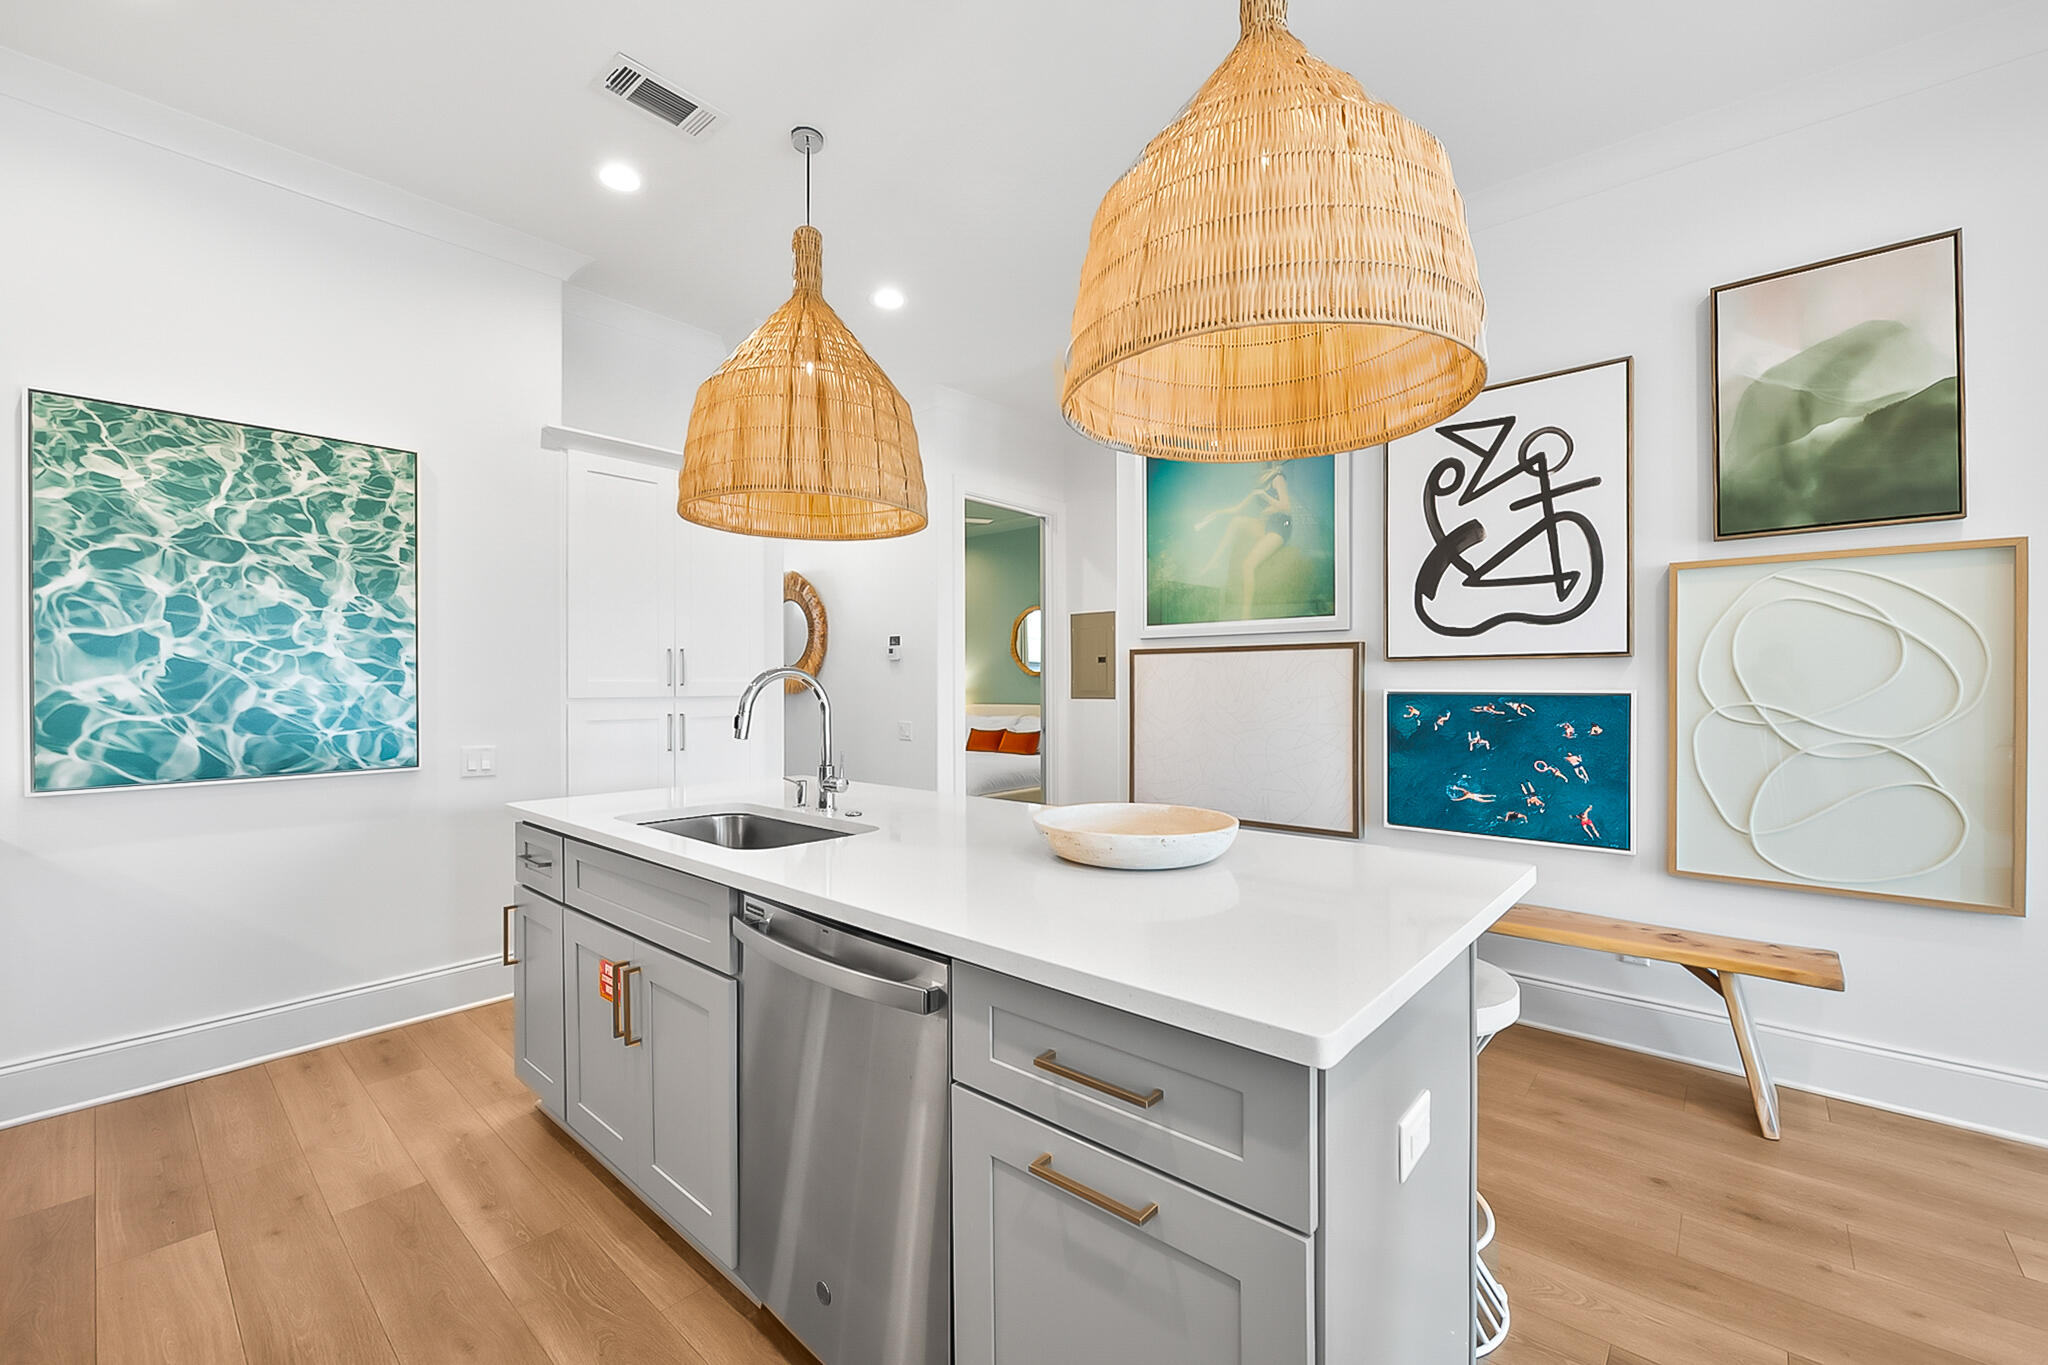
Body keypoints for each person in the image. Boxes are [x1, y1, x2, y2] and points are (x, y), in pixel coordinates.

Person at [1192, 462, 1294, 619]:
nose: (1257, 463)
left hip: (1280, 527)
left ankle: (1245, 617)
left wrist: (1265, 496)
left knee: (1247, 565)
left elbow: (1286, 507)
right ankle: (1213, 563)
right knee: (1237, 521)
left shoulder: (1277, 477)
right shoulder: (1260, 482)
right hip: (1266, 524)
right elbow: (1235, 509)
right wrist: (1212, 515)